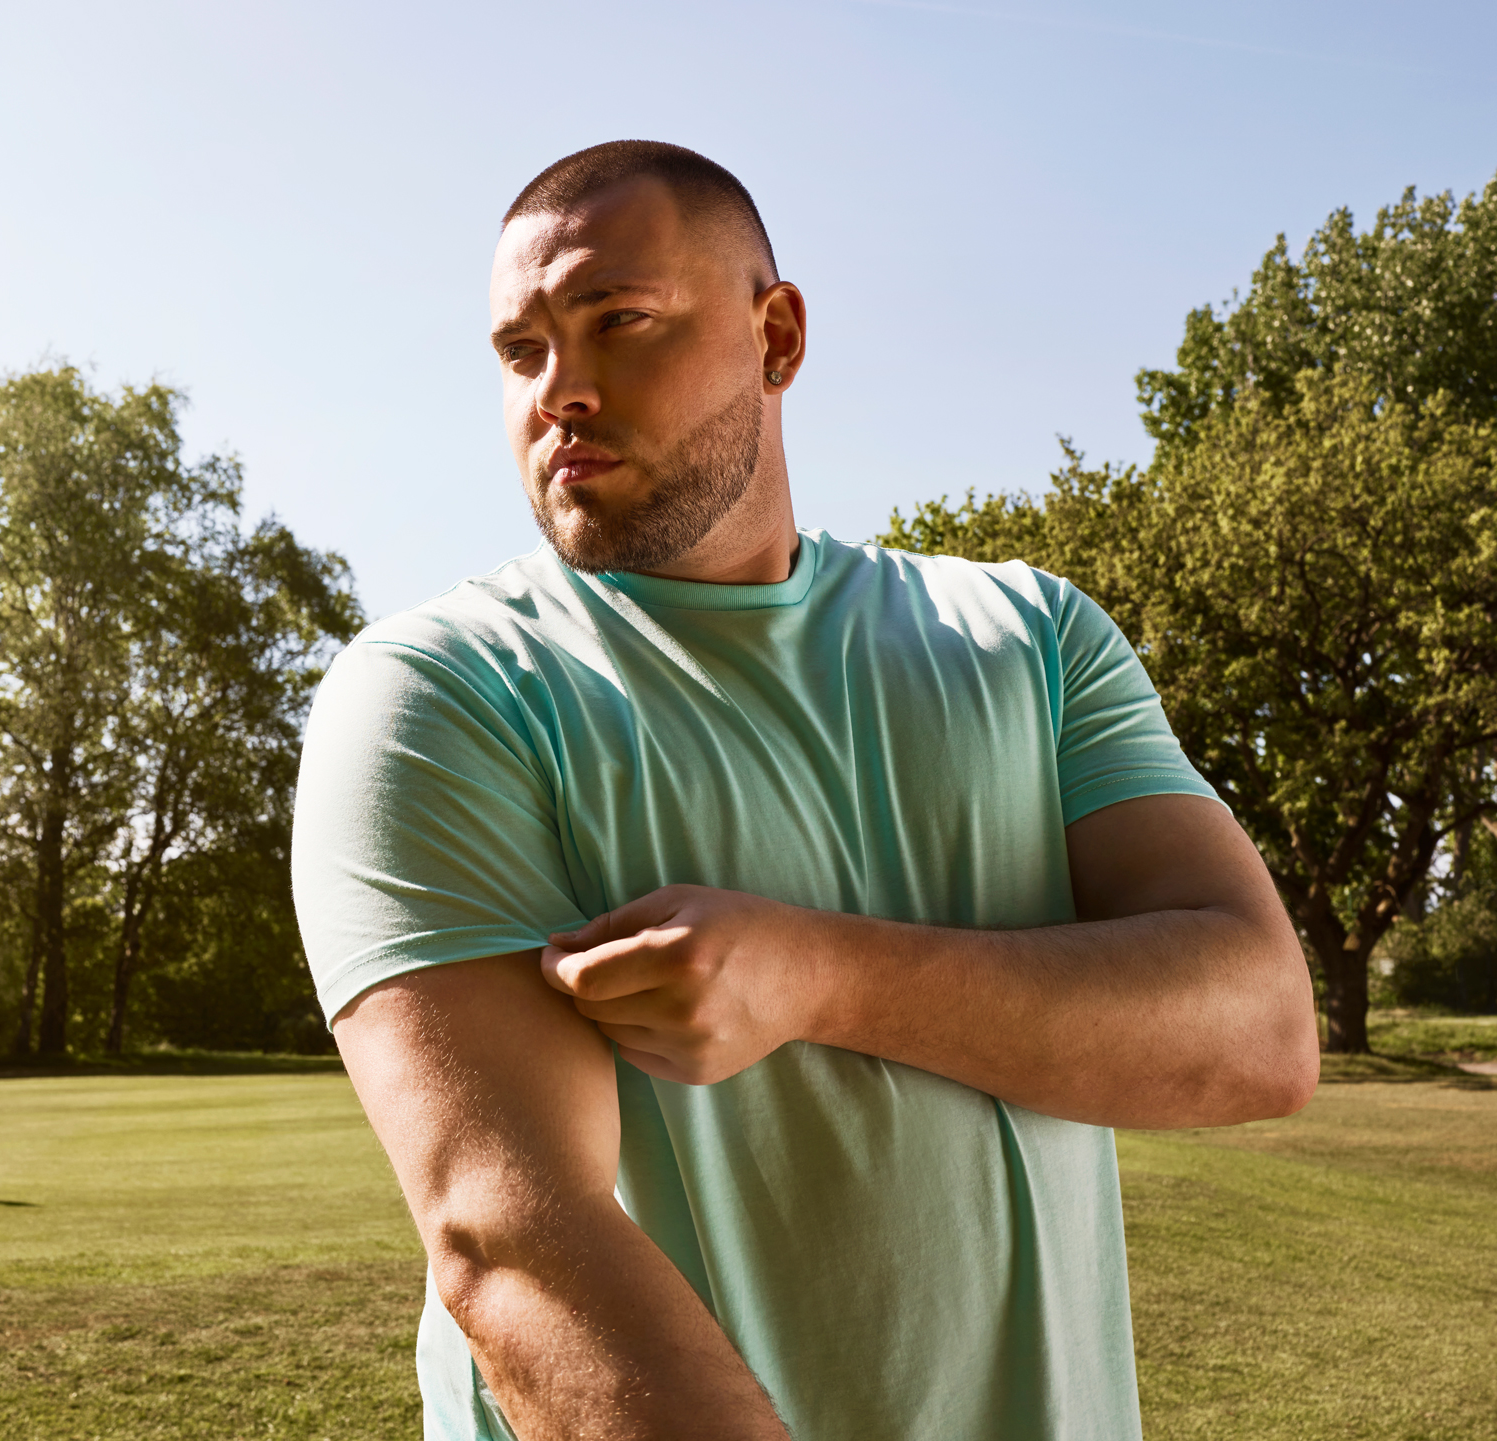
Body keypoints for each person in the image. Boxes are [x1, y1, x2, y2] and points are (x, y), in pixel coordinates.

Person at [291, 140, 1319, 1441]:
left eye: (619, 322)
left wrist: (818, 977)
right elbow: (515, 1241)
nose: (561, 391)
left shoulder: (1029, 637)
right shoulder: (439, 693)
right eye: (521, 351)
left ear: (776, 334)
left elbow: (1259, 1032)